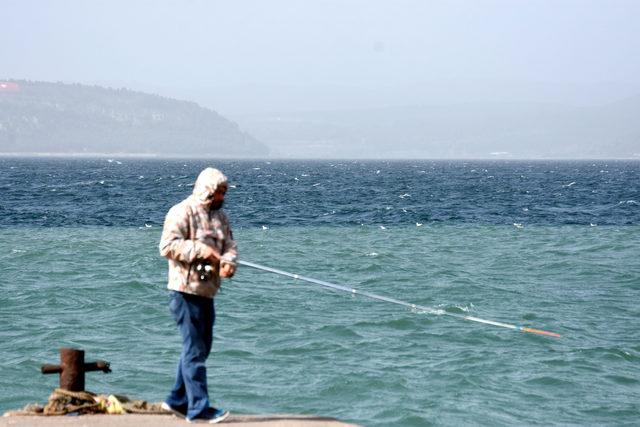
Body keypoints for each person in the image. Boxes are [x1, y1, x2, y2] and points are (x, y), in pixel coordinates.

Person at [159, 167, 237, 423]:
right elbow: (167, 246)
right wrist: (200, 250)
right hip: (184, 292)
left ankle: (176, 401)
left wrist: (228, 263)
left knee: (201, 349)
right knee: (193, 350)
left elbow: (229, 246)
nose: (222, 197)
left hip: (207, 291)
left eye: (224, 192)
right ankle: (199, 410)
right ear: (207, 190)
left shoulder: (221, 217)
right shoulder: (181, 211)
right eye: (219, 192)